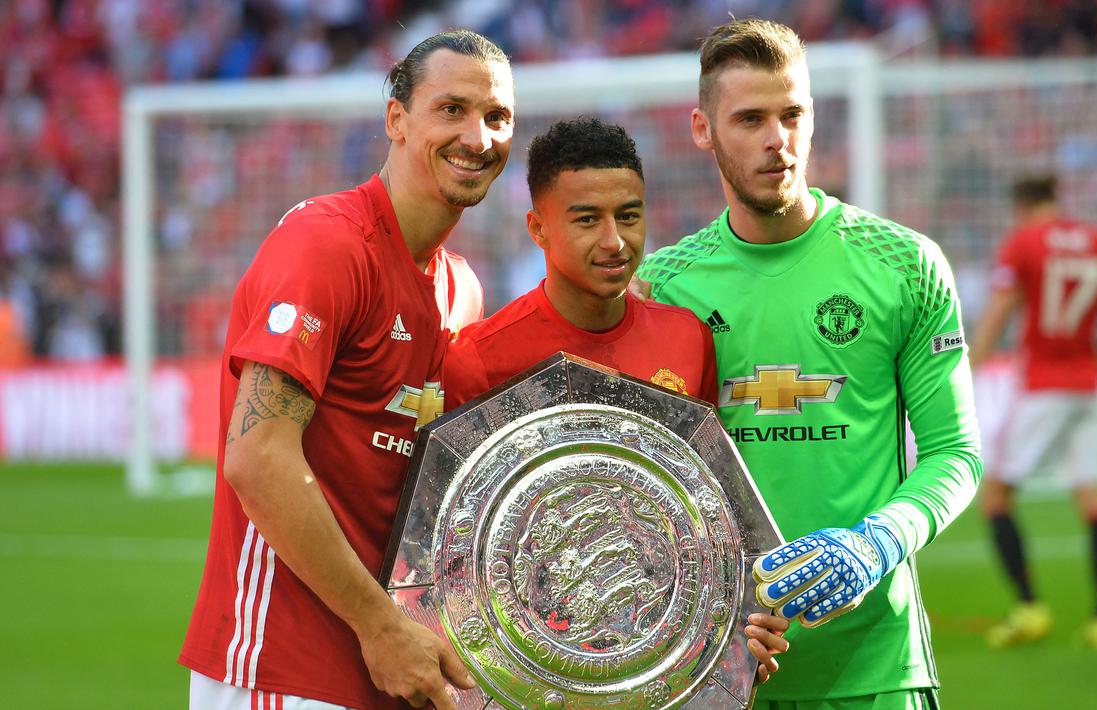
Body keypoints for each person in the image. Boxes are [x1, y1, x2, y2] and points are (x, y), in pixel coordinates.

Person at [635, 18, 981, 710]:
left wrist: (877, 542)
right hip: (720, 672)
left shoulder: (904, 265)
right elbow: (647, 486)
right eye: (751, 119)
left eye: (792, 115)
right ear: (702, 130)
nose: (776, 140)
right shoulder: (661, 287)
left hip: (875, 669)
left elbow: (955, 453)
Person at [179, 30, 513, 710]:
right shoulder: (327, 244)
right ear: (396, 119)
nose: (477, 136)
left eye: (496, 117)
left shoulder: (460, 288)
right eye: (451, 109)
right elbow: (258, 458)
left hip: (386, 665)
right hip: (283, 665)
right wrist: (379, 626)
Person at [441, 116, 791, 682]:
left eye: (629, 216)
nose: (614, 241)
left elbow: (709, 513)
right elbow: (454, 552)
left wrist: (741, 624)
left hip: (660, 658)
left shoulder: (687, 338)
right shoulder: (480, 359)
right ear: (538, 228)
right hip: (543, 665)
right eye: (587, 221)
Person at [967, 175, 1097, 649]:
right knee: (1093, 501)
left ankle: (1030, 608)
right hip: (1091, 383)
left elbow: (998, 313)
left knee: (995, 497)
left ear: (1021, 204)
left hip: (1042, 385)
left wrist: (968, 370)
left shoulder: (1024, 243)